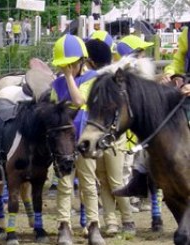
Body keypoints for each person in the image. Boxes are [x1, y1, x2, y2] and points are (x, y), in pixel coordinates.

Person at [114, 26, 190, 197]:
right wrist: (170, 74)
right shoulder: (188, 31)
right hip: (185, 87)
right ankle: (141, 174)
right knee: (156, 126)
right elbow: (179, 59)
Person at [50, 34, 105, 245]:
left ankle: (93, 226)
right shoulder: (56, 85)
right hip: (64, 143)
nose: (66, 69)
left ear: (81, 61)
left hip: (85, 139)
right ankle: (64, 226)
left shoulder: (92, 79)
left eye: (70, 64)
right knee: (64, 184)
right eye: (63, 65)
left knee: (88, 183)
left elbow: (79, 99)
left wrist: (70, 78)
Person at [85, 39, 136, 236]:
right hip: (97, 135)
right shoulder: (93, 80)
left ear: (90, 61)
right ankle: (111, 220)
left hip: (113, 138)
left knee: (114, 180)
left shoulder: (110, 81)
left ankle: (128, 218)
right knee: (103, 179)